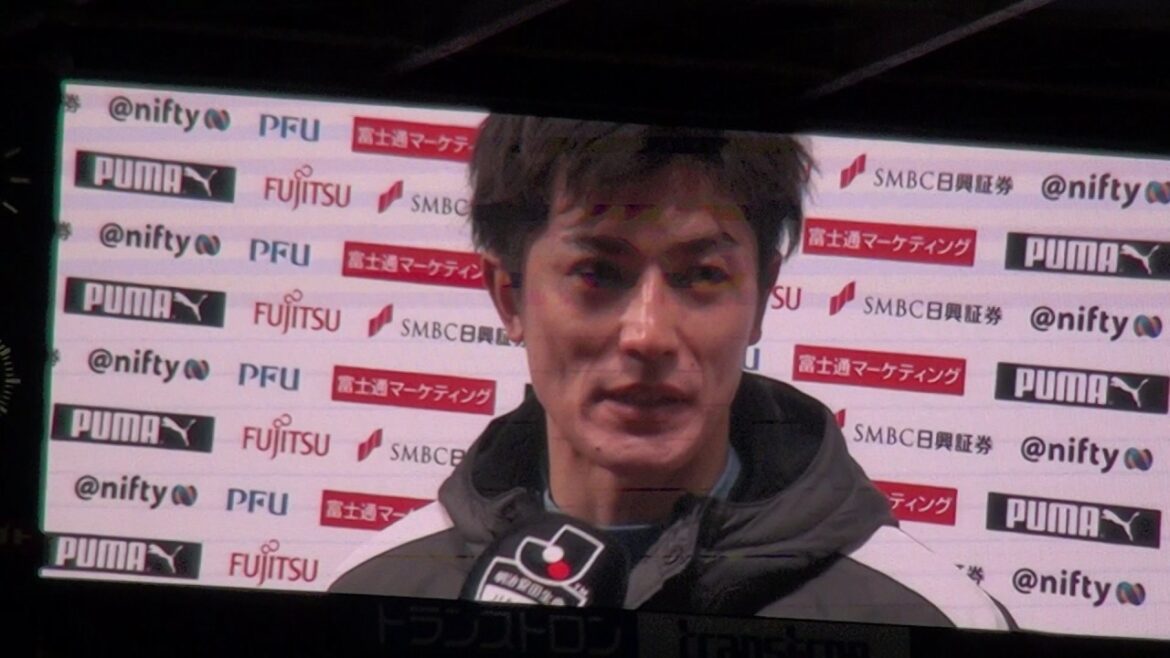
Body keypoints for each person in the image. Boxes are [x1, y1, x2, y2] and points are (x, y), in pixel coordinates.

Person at [330, 114, 1014, 629]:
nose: (649, 334)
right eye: (597, 273)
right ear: (509, 296)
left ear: (762, 298)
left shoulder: (930, 615)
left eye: (701, 275)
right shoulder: (377, 586)